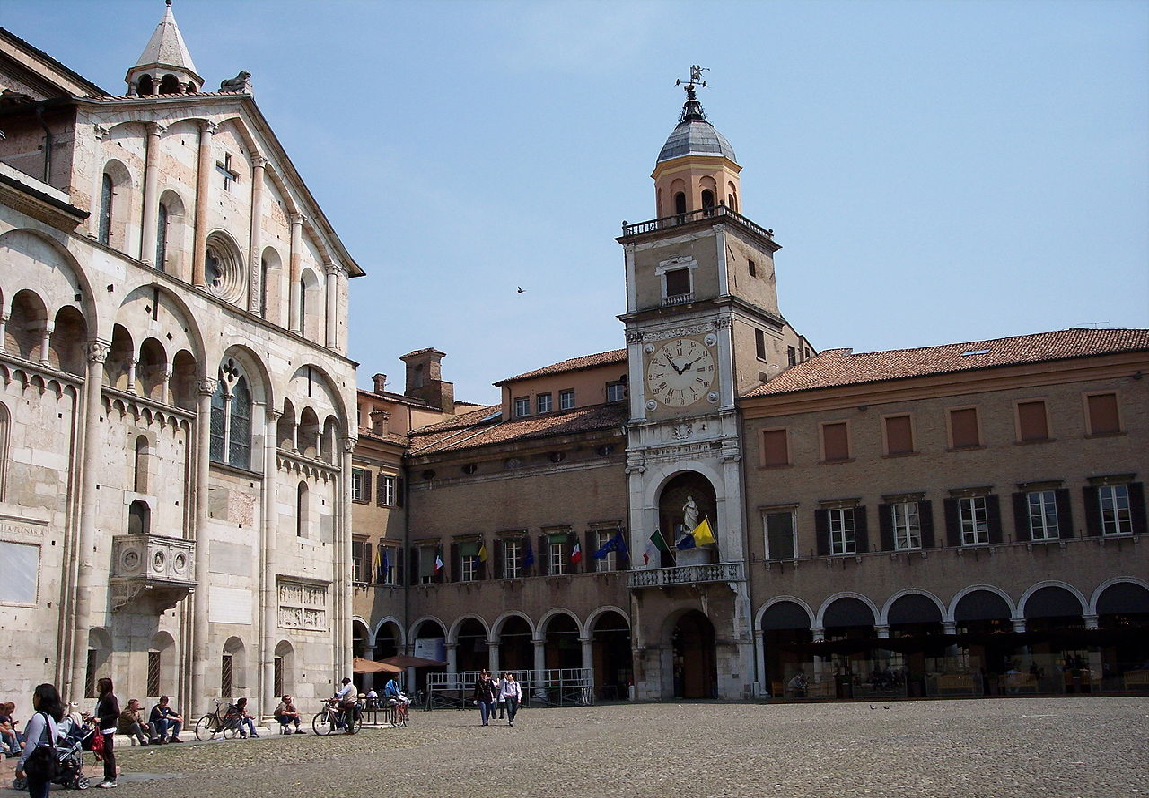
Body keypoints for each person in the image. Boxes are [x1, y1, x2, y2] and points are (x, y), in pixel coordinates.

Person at [14, 683, 65, 798]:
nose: (33, 699)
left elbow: (32, 743)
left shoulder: (39, 717)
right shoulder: (51, 717)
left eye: (35, 696)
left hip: (39, 762)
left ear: (41, 698)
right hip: (47, 761)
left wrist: (20, 765)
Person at [95, 677, 119, 789]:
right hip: (102, 728)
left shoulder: (111, 698)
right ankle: (107, 777)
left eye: (99, 685)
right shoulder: (102, 698)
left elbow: (115, 713)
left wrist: (101, 719)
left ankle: (112, 777)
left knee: (108, 752)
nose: (97, 687)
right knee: (104, 753)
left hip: (108, 729)